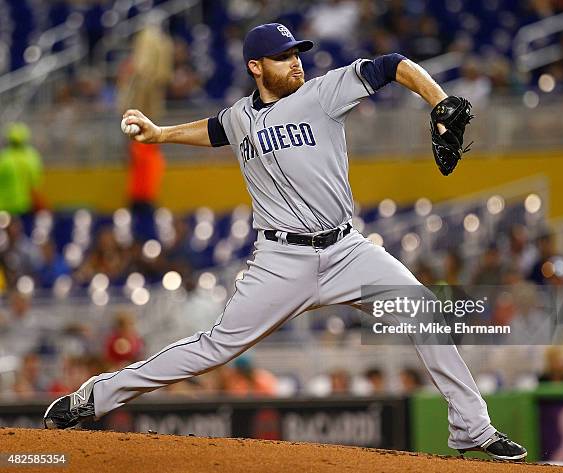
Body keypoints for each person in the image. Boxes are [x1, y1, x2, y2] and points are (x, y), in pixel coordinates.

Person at [44, 23, 526, 461]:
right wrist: (160, 134)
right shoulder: (239, 117)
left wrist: (439, 100)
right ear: (256, 67)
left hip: (346, 251)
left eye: (296, 53)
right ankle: (96, 396)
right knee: (213, 349)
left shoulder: (322, 94)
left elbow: (392, 65)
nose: (295, 61)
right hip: (281, 260)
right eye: (282, 56)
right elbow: (215, 130)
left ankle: (472, 428)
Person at [0, 122, 44, 216]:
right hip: (24, 206)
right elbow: (34, 184)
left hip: (4, 206)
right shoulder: (32, 157)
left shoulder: (4, 158)